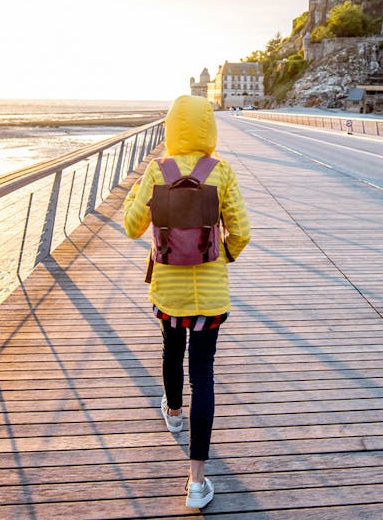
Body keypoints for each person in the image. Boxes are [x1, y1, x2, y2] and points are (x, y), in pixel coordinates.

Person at [123, 95, 250, 510]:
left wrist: (134, 199)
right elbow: (241, 232)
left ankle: (174, 414)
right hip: (210, 295)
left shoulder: (158, 169)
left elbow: (131, 227)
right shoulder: (222, 171)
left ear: (170, 128)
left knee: (171, 350)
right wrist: (222, 257)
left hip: (168, 290)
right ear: (209, 127)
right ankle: (197, 481)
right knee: (205, 373)